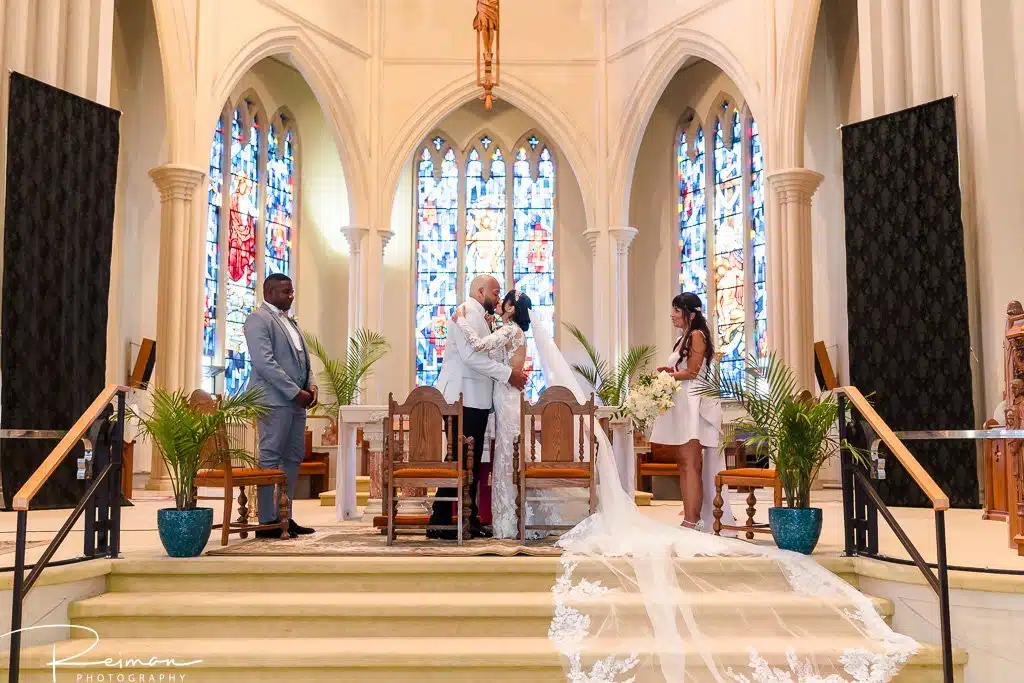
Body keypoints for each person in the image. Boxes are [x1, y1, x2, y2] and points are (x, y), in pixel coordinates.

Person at [450, 290, 587, 539]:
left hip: (507, 398)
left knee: (508, 455)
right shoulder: (512, 331)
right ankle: (514, 518)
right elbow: (499, 355)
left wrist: (460, 319)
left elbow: (478, 346)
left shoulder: (510, 330)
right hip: (506, 397)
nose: (499, 302)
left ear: (511, 309)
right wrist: (493, 329)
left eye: (505, 301)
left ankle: (511, 520)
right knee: (506, 453)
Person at [431, 275, 528, 539]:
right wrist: (508, 374)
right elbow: (472, 357)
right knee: (459, 460)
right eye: (496, 293)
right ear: (481, 290)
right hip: (464, 396)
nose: (498, 298)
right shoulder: (467, 312)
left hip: (476, 397)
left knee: (467, 462)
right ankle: (439, 520)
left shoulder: (477, 315)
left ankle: (468, 518)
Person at [242, 273, 318, 539]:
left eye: (292, 290)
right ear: (270, 291)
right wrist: (293, 392)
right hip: (273, 400)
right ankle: (267, 521)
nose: (291, 295)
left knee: (293, 458)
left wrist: (311, 387)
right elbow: (264, 363)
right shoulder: (257, 320)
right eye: (286, 291)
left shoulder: (291, 323)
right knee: (270, 457)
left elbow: (303, 361)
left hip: (297, 402)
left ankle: (285, 515)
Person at [649, 292, 728, 531]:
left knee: (691, 462)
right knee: (684, 462)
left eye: (676, 310)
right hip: (682, 402)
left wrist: (670, 375)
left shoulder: (696, 335)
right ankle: (691, 516)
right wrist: (669, 370)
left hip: (693, 403)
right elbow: (683, 368)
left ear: (691, 313)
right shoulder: (682, 338)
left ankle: (692, 519)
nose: (672, 315)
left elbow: (693, 372)